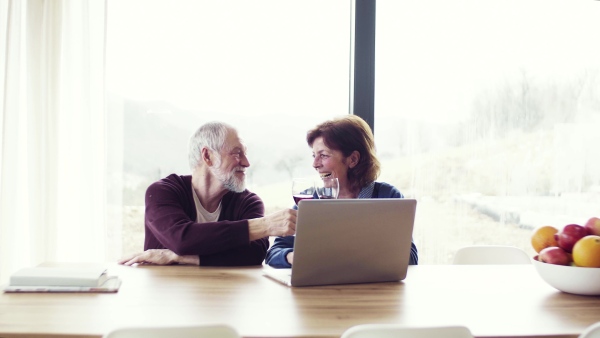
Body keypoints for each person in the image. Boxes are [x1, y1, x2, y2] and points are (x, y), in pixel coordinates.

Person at [119, 121, 296, 266]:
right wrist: (263, 226)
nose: (246, 162)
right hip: (166, 295)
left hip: (222, 296)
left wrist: (179, 257)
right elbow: (181, 239)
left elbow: (253, 254)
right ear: (207, 156)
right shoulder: (162, 192)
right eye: (237, 153)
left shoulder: (248, 202)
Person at [265, 115, 418, 268]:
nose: (315, 164)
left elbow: (411, 257)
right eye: (314, 156)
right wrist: (295, 257)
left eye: (323, 155)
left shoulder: (388, 197)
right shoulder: (309, 199)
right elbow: (274, 253)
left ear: (353, 159)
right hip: (319, 288)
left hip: (374, 288)